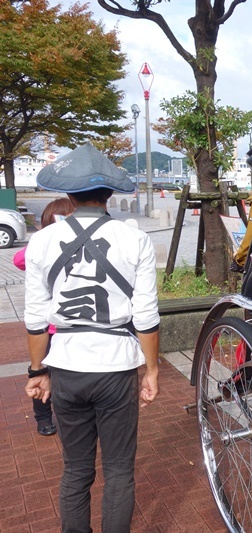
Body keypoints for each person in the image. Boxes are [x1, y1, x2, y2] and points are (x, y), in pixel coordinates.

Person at [24, 144, 160, 532]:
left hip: (65, 366)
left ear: (69, 195)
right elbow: (146, 316)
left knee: (76, 470)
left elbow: (36, 319)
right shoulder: (135, 239)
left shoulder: (43, 241)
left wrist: (37, 371)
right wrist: (150, 370)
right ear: (109, 194)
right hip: (117, 367)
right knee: (118, 471)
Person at [12, 197, 76, 436]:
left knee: (66, 377)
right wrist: (45, 241)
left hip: (70, 326)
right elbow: (18, 260)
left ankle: (66, 414)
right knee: (41, 372)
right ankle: (42, 416)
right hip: (46, 330)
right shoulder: (42, 246)